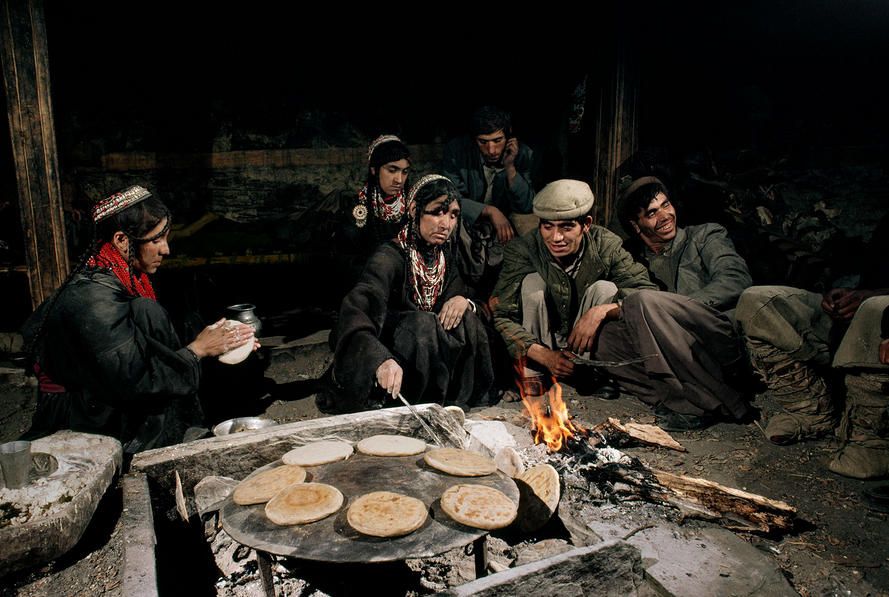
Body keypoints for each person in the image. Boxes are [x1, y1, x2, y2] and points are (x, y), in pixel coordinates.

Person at [491, 179, 750, 430]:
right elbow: (501, 314)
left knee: (609, 291)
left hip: (705, 333)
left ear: (586, 225)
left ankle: (713, 402)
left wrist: (606, 309)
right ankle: (667, 398)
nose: (556, 237)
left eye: (567, 227)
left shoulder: (702, 236)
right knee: (535, 287)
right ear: (636, 226)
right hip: (553, 345)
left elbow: (650, 292)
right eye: (548, 227)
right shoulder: (525, 249)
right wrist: (543, 355)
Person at [21, 185, 256, 453]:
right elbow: (133, 379)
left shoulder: (120, 276)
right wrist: (198, 350)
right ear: (122, 240)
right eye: (156, 240)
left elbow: (153, 347)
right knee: (150, 313)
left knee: (153, 312)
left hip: (106, 395)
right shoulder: (93, 300)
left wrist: (224, 343)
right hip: (80, 413)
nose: (166, 250)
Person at [323, 174, 495, 413]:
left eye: (453, 215)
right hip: (394, 355)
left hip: (430, 351)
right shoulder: (389, 257)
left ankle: (457, 402)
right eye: (436, 212)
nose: (446, 224)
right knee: (423, 324)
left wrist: (463, 301)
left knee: (467, 316)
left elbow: (470, 302)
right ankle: (408, 406)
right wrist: (379, 360)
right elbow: (357, 310)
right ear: (414, 210)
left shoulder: (444, 257)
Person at [735, 213, 889, 477]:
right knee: (758, 301)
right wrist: (842, 296)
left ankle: (873, 441)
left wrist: (873, 297)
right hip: (859, 317)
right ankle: (812, 411)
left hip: (880, 319)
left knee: (876, 310)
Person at [617, 176, 752, 314]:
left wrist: (678, 308)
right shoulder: (632, 262)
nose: (665, 217)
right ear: (635, 226)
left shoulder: (705, 235)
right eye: (652, 213)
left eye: (666, 205)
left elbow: (735, 278)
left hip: (711, 325)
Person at [442, 106, 537, 243]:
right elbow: (450, 198)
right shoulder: (456, 152)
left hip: (506, 225)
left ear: (508, 136)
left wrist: (510, 168)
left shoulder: (522, 153)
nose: (491, 150)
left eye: (498, 141)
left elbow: (526, 206)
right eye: (483, 142)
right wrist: (489, 210)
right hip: (467, 221)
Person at [341, 134, 411, 256]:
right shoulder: (358, 207)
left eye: (404, 172)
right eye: (392, 170)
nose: (399, 180)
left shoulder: (413, 205)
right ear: (374, 170)